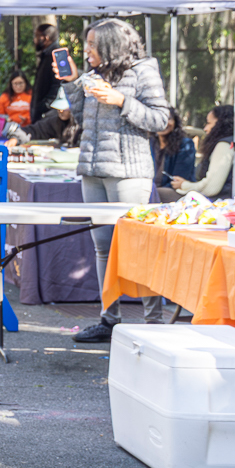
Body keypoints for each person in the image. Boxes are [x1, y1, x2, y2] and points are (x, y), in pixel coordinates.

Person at [64, 19, 173, 343]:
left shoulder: (143, 71)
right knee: (102, 248)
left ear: (112, 46)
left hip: (129, 173)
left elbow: (161, 119)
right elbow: (81, 115)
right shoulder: (93, 75)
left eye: (92, 46)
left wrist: (121, 101)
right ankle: (109, 320)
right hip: (93, 169)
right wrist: (72, 83)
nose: (87, 52)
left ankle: (154, 323)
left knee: (139, 248)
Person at [171, 104, 235, 199]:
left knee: (160, 193)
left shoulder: (225, 145)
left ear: (221, 125)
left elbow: (211, 188)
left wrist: (184, 185)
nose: (205, 129)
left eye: (208, 123)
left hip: (221, 203)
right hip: (233, 200)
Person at [155, 109, 197, 186]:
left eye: (169, 118)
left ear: (175, 122)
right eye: (159, 118)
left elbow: (177, 180)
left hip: (175, 190)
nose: (164, 122)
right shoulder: (148, 143)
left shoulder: (185, 144)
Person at [30, 22, 62, 118]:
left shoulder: (58, 56)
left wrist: (45, 107)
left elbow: (59, 84)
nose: (34, 40)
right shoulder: (46, 56)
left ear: (45, 38)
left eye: (36, 36)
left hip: (48, 115)